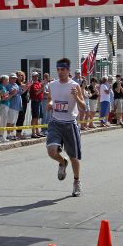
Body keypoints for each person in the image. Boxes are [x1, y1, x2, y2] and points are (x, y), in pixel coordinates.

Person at [46, 58, 85, 197]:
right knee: (51, 151)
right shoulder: (52, 85)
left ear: (68, 70)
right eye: (58, 69)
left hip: (70, 124)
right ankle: (62, 163)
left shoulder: (75, 86)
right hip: (56, 122)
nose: (60, 72)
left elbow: (83, 107)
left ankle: (76, 182)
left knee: (74, 156)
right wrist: (50, 103)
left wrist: (77, 96)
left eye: (63, 69)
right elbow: (51, 98)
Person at [30, 71, 44, 138]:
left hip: (39, 101)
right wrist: (42, 87)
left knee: (37, 118)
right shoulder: (33, 84)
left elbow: (41, 92)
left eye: (37, 76)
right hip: (35, 102)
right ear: (32, 77)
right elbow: (36, 93)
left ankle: (37, 132)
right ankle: (33, 133)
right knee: (34, 117)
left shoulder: (38, 83)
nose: (36, 77)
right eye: (34, 76)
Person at [16, 71, 29, 139]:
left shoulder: (24, 83)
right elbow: (19, 91)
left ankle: (19, 133)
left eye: (21, 75)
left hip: (24, 101)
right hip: (18, 101)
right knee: (18, 117)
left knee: (22, 117)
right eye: (18, 75)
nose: (20, 76)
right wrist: (25, 86)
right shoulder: (16, 83)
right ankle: (17, 133)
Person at [0, 75, 10, 142]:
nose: (8, 81)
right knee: (2, 121)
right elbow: (1, 97)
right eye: (7, 80)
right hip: (3, 105)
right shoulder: (0, 86)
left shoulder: (4, 87)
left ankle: (1, 135)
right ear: (3, 80)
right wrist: (7, 95)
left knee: (4, 120)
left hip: (6, 104)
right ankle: (0, 136)